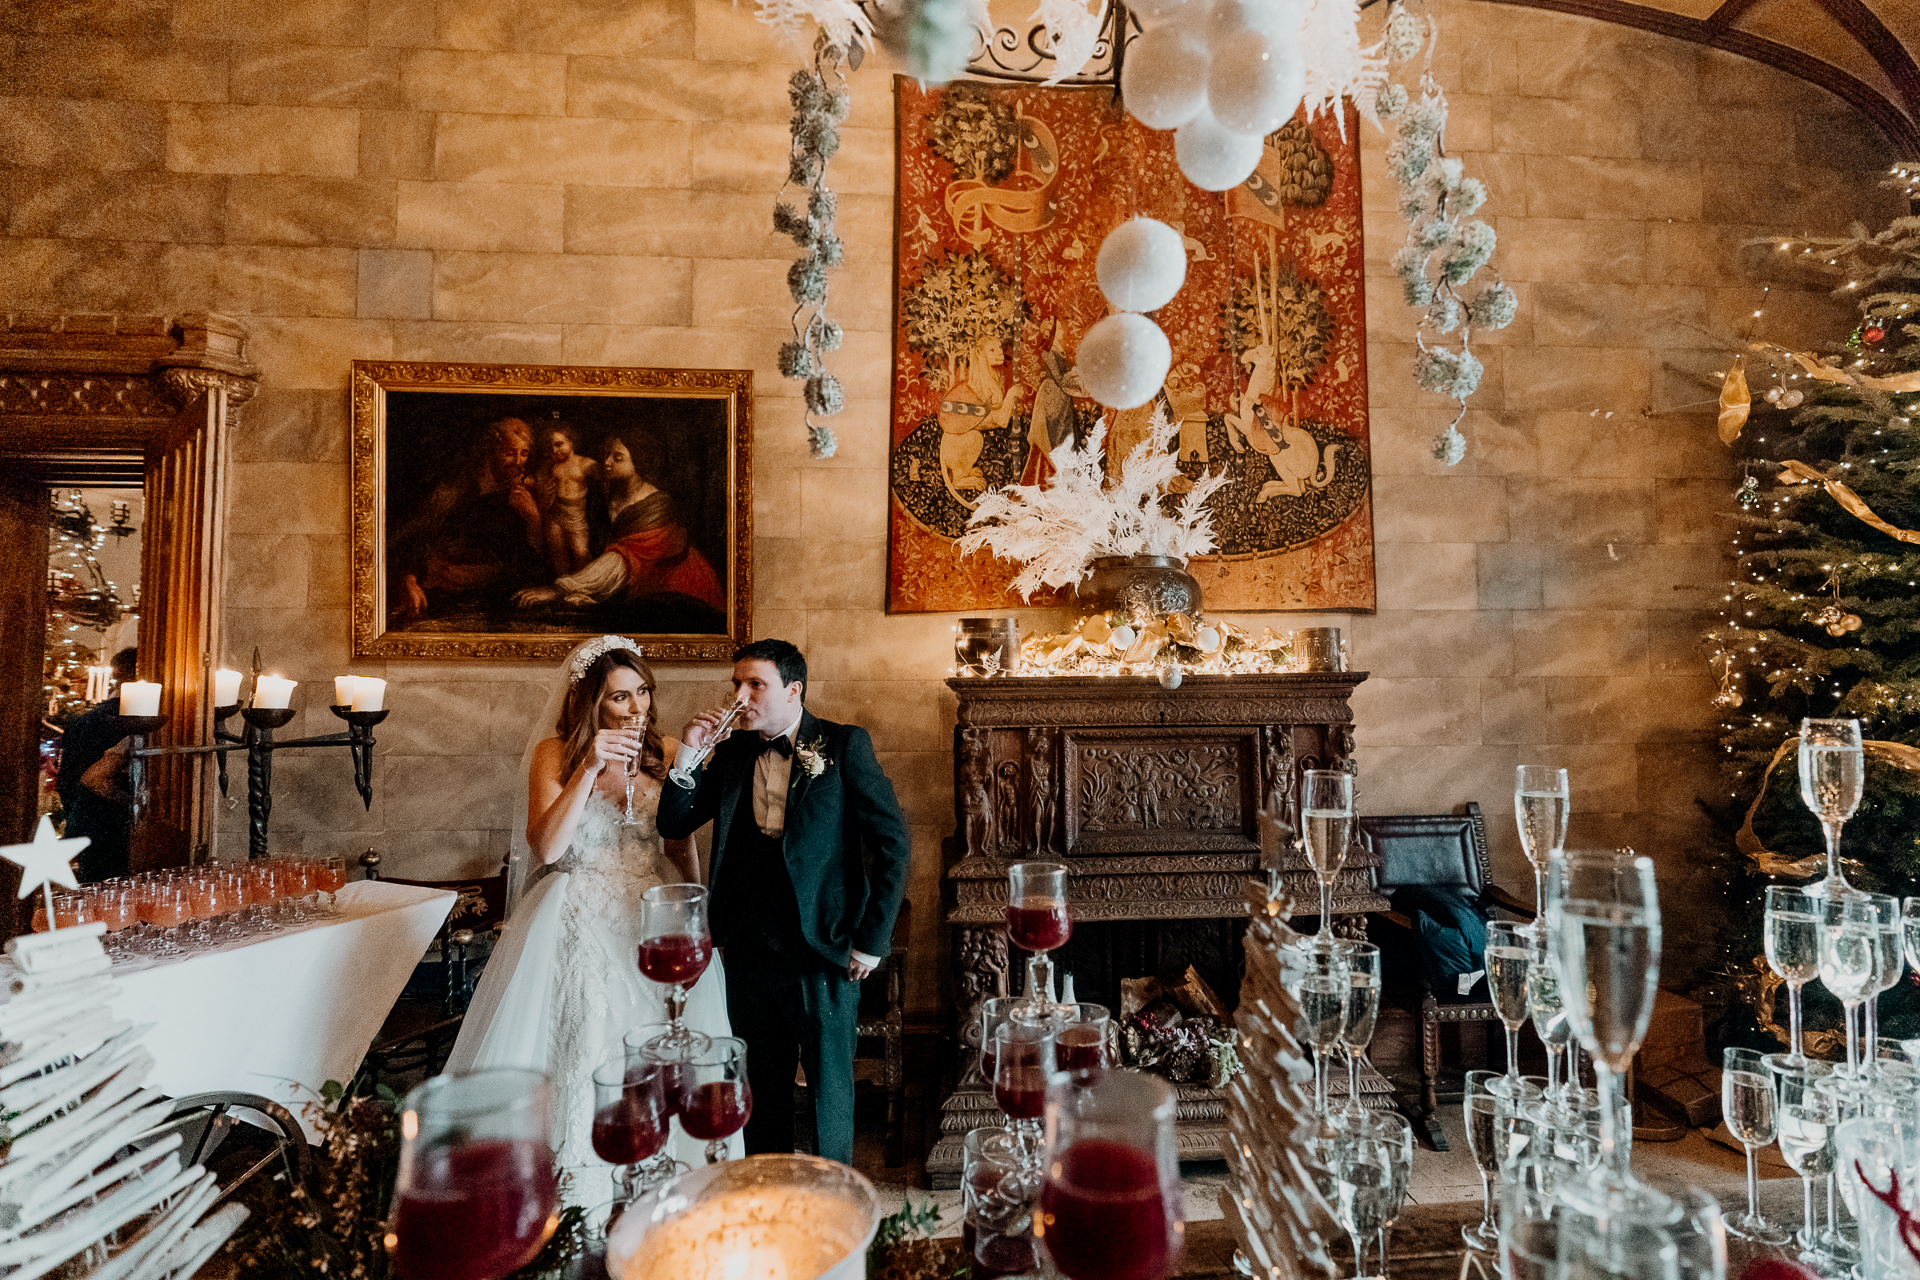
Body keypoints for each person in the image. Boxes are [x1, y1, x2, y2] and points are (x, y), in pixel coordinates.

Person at [446, 635, 736, 1183]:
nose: (637, 707)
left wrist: (695, 914)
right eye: (620, 697)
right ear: (591, 704)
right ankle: (581, 1168)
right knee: (589, 1030)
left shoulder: (668, 750)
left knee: (667, 1033)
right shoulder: (555, 753)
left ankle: (669, 1163)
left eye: (642, 692)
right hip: (580, 909)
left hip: (656, 910)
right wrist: (588, 770)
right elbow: (549, 849)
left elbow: (679, 841)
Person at [659, 639, 911, 1165]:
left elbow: (893, 843)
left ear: (793, 691)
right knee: (761, 1089)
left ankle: (832, 1202)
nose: (741, 695)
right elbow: (673, 824)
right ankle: (770, 1200)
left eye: (755, 684)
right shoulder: (728, 755)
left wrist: (871, 941)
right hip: (747, 950)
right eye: (736, 684)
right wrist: (690, 750)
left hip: (825, 947)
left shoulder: (843, 746)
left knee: (827, 1091)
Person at [513, 431, 724, 619]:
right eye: (606, 455)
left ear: (638, 462)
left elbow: (620, 560)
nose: (606, 462)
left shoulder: (655, 507)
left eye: (617, 457)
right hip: (632, 588)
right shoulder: (606, 494)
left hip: (681, 592)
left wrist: (558, 590)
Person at [390, 416, 546, 624]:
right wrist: (408, 579)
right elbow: (412, 538)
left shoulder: (526, 495)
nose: (518, 463)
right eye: (509, 453)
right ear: (489, 450)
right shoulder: (454, 489)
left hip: (494, 601)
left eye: (524, 453)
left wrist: (534, 519)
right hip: (436, 593)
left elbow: (536, 564)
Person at [56, 647, 137, 883]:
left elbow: (67, 777)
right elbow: (94, 778)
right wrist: (134, 804)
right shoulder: (129, 718)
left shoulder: (86, 718)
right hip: (109, 829)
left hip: (82, 822)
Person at [532, 418, 597, 576]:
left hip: (576, 516)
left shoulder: (584, 463)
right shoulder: (549, 466)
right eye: (551, 446)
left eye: (559, 444)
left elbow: (606, 476)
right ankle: (563, 587)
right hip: (555, 515)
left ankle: (582, 587)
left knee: (581, 552)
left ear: (571, 441)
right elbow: (537, 482)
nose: (555, 450)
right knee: (557, 553)